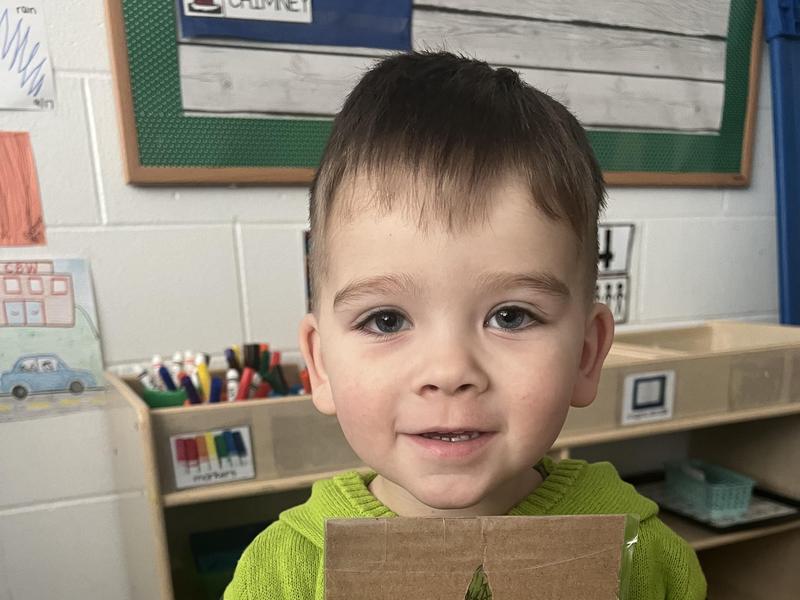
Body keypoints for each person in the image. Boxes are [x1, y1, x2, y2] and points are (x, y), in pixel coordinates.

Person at [225, 50, 706, 600]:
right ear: (320, 365)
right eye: (386, 320)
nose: (450, 371)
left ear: (585, 355)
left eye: (511, 316)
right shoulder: (282, 573)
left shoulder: (645, 559)